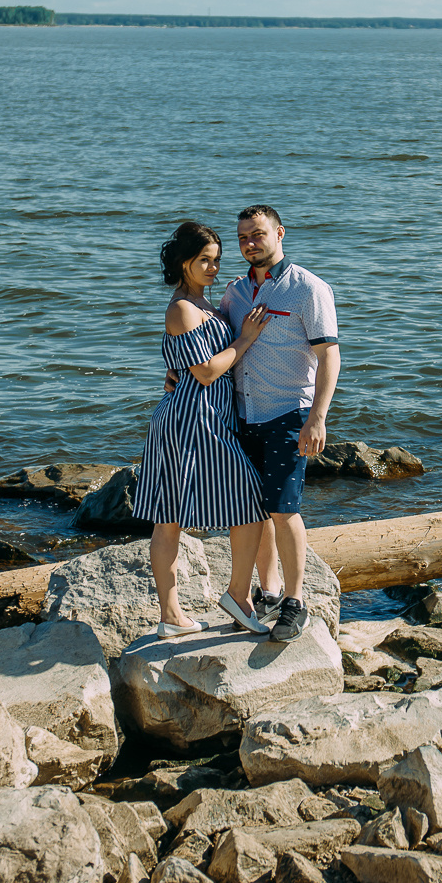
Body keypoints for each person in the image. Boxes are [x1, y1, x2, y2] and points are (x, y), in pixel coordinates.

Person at [132, 221, 275, 638]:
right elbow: (208, 371)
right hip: (192, 419)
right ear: (183, 263)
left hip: (205, 414)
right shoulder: (181, 307)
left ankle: (178, 616)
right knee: (222, 505)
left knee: (178, 514)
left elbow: (185, 365)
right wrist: (246, 338)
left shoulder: (205, 304)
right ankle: (206, 605)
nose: (213, 268)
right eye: (204, 261)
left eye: (216, 260)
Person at [217, 204, 341, 643]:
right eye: (243, 237)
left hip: (288, 414)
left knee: (285, 510)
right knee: (255, 509)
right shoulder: (234, 292)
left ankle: (295, 602)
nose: (250, 243)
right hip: (242, 415)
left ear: (280, 233)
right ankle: (266, 593)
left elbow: (330, 356)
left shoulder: (307, 288)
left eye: (258, 234)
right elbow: (212, 340)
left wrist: (317, 418)